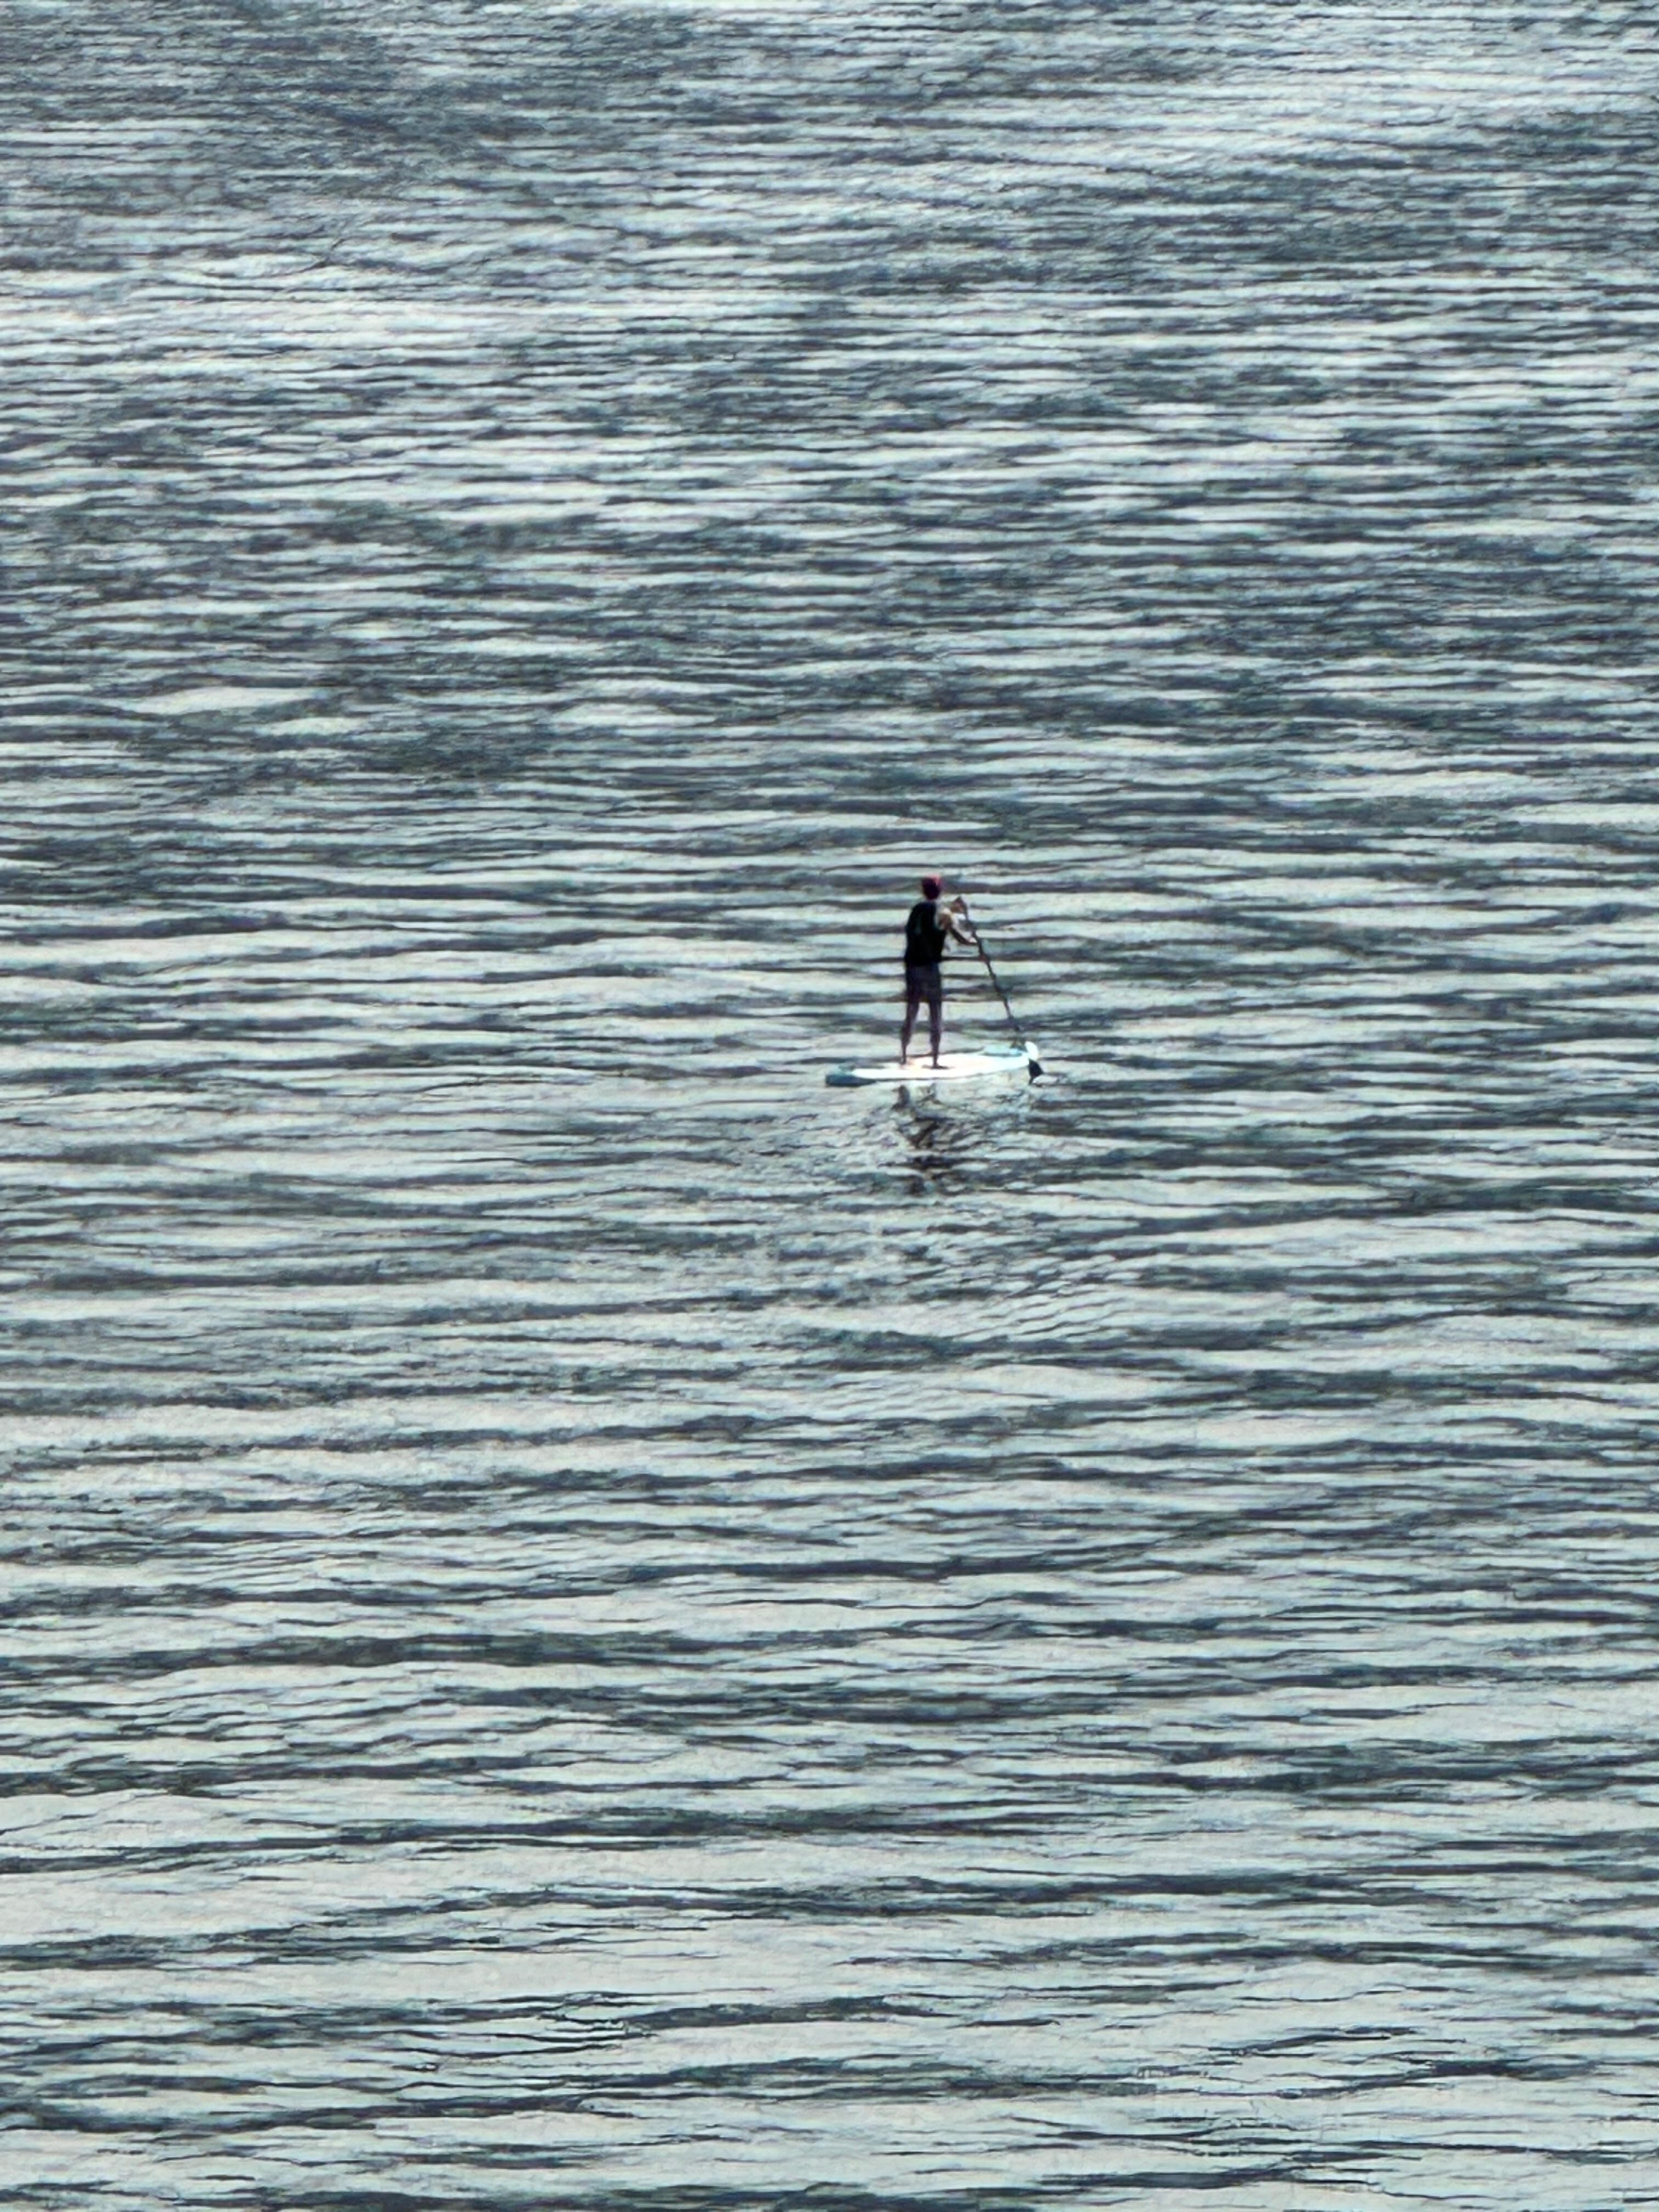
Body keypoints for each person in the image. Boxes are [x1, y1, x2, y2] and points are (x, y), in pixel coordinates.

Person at [900, 874, 977, 1066]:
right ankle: (935, 1059)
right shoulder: (944, 913)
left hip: (911, 966)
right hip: (929, 968)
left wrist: (953, 908)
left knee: (912, 1009)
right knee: (935, 1010)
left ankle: (903, 1055)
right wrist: (974, 941)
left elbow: (933, 914)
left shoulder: (916, 910)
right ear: (940, 890)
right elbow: (961, 938)